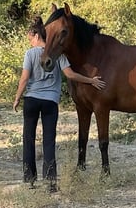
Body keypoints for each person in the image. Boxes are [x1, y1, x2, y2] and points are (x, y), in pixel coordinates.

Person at [13, 16, 105, 191]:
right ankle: (51, 182)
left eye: (29, 39)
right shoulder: (58, 54)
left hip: (32, 100)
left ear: (35, 36)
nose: (30, 42)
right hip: (50, 102)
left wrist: (18, 97)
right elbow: (70, 75)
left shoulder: (30, 54)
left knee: (28, 139)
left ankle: (30, 179)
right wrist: (90, 80)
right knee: (49, 141)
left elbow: (24, 78)